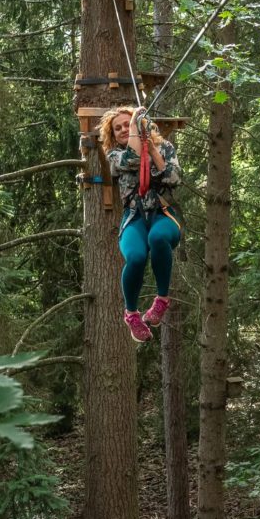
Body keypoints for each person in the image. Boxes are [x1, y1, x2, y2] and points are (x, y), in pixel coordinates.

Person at [99, 106, 182, 342]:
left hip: (162, 214)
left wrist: (154, 148)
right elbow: (134, 158)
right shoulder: (115, 155)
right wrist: (136, 122)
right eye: (119, 128)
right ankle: (132, 314)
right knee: (135, 256)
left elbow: (174, 179)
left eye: (128, 124)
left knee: (157, 238)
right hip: (134, 217)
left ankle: (161, 300)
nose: (125, 129)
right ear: (113, 135)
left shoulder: (165, 147)